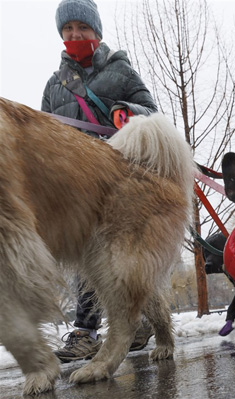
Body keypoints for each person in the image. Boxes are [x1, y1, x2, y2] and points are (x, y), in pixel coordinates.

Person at [42, 0, 158, 363]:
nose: (75, 34)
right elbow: (43, 133)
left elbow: (153, 114)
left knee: (126, 256)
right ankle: (87, 331)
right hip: (75, 185)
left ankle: (139, 319)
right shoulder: (54, 85)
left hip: (119, 179)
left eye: (82, 27)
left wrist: (128, 113)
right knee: (84, 259)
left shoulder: (120, 70)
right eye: (68, 28)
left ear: (97, 32)